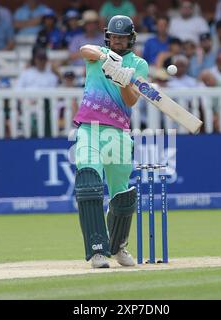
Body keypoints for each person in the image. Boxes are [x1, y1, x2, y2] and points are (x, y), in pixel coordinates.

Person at [73, 15, 148, 268]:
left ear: (131, 38)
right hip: (89, 129)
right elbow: (84, 49)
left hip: (118, 132)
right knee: (89, 183)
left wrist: (123, 80)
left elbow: (131, 101)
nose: (117, 41)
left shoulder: (139, 64)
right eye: (113, 37)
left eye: (122, 37)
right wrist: (108, 59)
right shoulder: (98, 54)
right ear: (108, 37)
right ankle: (96, 251)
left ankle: (118, 247)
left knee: (121, 195)